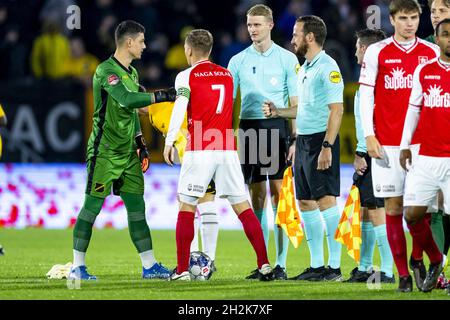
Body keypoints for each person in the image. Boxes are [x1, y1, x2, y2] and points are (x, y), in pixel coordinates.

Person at [69, 20, 176, 281]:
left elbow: (131, 112)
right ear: (129, 43)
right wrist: (162, 95)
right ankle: (77, 266)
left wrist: (140, 142)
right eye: (141, 41)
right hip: (104, 152)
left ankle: (149, 266)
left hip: (128, 153)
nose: (144, 46)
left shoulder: (133, 73)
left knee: (137, 208)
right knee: (92, 207)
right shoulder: (106, 71)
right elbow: (127, 99)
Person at [164, 29, 274, 281]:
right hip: (225, 147)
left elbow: (180, 106)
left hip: (201, 145)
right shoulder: (227, 75)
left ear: (188, 50)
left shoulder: (186, 76)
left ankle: (181, 270)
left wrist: (170, 141)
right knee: (243, 206)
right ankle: (265, 264)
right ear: (210, 50)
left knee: (187, 204)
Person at [358, 0, 440, 292]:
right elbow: (365, 97)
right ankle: (404, 276)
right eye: (403, 18)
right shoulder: (378, 52)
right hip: (387, 143)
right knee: (393, 208)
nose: (410, 23)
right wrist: (369, 134)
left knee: (422, 212)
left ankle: (419, 258)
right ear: (392, 19)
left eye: (414, 18)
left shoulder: (432, 52)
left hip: (423, 145)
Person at [263, 15, 345, 282]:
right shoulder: (306, 67)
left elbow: (337, 110)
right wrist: (279, 111)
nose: (292, 39)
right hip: (305, 141)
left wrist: (327, 146)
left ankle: (333, 268)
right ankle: (317, 265)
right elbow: (302, 109)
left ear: (310, 37)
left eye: (297, 34)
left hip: (321, 140)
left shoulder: (328, 68)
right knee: (306, 202)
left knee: (326, 200)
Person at [227, 4, 299, 280]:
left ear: (270, 25)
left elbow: (295, 103)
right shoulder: (237, 61)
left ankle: (280, 263)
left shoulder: (286, 59)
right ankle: (263, 262)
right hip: (249, 128)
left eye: (257, 25)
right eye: (249, 25)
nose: (252, 30)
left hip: (276, 128)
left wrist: (294, 138)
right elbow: (229, 103)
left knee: (279, 194)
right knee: (256, 195)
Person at [399, 18, 450, 293]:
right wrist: (406, 144)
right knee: (412, 215)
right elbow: (413, 109)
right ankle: (436, 259)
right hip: (426, 157)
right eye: (445, 35)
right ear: (437, 39)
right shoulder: (424, 70)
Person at [141, 101, 219, 276]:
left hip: (195, 154)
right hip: (207, 147)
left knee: (189, 202)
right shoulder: (165, 107)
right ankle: (206, 261)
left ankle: (199, 260)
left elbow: (182, 134)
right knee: (203, 200)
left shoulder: (156, 109)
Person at [344, 28, 395, 284]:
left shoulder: (375, 78)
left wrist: (362, 152)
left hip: (375, 151)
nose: (354, 51)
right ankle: (365, 267)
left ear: (365, 49)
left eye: (357, 47)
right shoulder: (371, 75)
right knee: (366, 207)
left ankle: (386, 270)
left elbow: (371, 120)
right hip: (374, 149)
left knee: (376, 208)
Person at [425, 0, 450, 289]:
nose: (436, 17)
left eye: (442, 11)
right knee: (433, 208)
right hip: (432, 143)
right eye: (432, 12)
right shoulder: (424, 47)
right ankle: (438, 268)